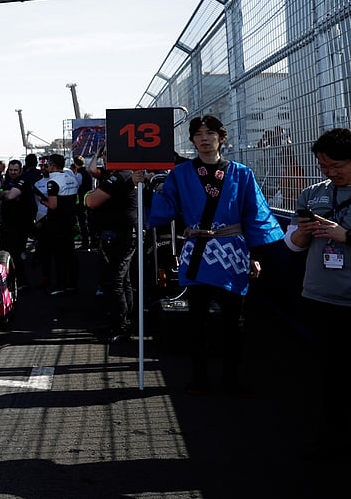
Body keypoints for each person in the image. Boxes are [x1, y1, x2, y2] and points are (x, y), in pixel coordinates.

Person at [146, 114, 283, 394]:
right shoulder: (180, 174)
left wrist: (254, 254)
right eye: (198, 134)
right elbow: (166, 206)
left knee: (234, 320)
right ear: (192, 139)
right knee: (197, 319)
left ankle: (231, 377)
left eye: (210, 133)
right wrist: (142, 186)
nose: (204, 138)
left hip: (232, 250)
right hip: (196, 250)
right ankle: (198, 378)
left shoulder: (241, 173)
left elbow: (254, 214)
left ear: (222, 137)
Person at [285, 128, 351, 454]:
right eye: (324, 165)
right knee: (326, 373)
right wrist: (301, 236)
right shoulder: (312, 194)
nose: (330, 172)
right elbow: (293, 243)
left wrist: (345, 236)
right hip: (319, 295)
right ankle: (330, 435)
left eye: (337, 165)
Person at [85, 160, 143, 342]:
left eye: (107, 154)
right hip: (120, 235)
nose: (104, 158)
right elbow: (92, 170)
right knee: (122, 281)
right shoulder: (120, 175)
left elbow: (91, 201)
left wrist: (88, 195)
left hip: (120, 237)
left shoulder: (120, 176)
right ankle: (120, 322)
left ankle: (122, 325)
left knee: (115, 281)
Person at [38, 154, 79, 294]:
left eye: (47, 164)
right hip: (70, 220)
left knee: (59, 254)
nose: (46, 167)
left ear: (52, 166)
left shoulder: (52, 182)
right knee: (70, 253)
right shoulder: (71, 178)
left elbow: (53, 205)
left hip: (57, 222)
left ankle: (61, 285)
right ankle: (72, 283)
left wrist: (42, 200)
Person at [0, 159, 37, 288]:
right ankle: (11, 280)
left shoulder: (23, 181)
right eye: (11, 170)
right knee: (6, 251)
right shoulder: (7, 181)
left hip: (20, 224)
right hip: (7, 223)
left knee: (17, 253)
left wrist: (0, 194)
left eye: (15, 170)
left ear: (20, 170)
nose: (13, 172)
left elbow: (10, 196)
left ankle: (21, 281)